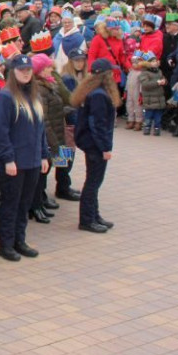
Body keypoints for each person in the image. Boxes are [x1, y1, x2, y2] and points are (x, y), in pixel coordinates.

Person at [0, 55, 50, 262]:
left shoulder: (35, 95)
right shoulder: (5, 97)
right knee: (11, 203)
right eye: (21, 70)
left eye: (28, 70)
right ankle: (5, 244)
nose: (25, 73)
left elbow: (40, 128)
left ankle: (19, 239)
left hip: (32, 159)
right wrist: (8, 159)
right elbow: (0, 132)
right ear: (12, 72)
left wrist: (43, 154)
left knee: (24, 203)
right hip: (14, 162)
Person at [72, 59, 122, 233]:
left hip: (90, 143)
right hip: (95, 145)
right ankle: (87, 219)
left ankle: (94, 215)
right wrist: (105, 148)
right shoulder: (99, 95)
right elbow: (98, 124)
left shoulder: (92, 91)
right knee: (93, 182)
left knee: (93, 181)